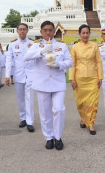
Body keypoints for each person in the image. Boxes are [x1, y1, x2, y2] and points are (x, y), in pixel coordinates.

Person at [24, 21, 72, 150]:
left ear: (54, 31)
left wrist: (59, 65)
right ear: (41, 32)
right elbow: (26, 57)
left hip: (58, 82)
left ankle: (58, 136)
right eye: (45, 30)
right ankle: (49, 137)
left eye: (50, 30)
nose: (48, 32)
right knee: (45, 112)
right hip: (42, 83)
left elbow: (69, 62)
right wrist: (41, 51)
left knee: (59, 109)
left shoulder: (62, 46)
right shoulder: (36, 45)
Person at [69, 24, 103, 135]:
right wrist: (72, 78)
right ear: (79, 34)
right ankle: (84, 119)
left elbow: (99, 61)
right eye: (83, 33)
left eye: (87, 33)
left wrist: (100, 76)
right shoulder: (75, 47)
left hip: (93, 77)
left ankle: (91, 123)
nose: (85, 35)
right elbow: (72, 64)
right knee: (81, 102)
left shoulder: (94, 46)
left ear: (89, 34)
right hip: (79, 78)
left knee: (93, 102)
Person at [5, 23, 36, 132]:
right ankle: (23, 118)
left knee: (30, 99)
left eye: (24, 29)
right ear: (17, 31)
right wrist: (7, 75)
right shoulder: (12, 44)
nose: (22, 31)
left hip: (30, 75)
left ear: (27, 31)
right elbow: (9, 61)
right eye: (20, 29)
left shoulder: (33, 43)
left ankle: (30, 121)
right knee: (20, 99)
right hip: (18, 75)